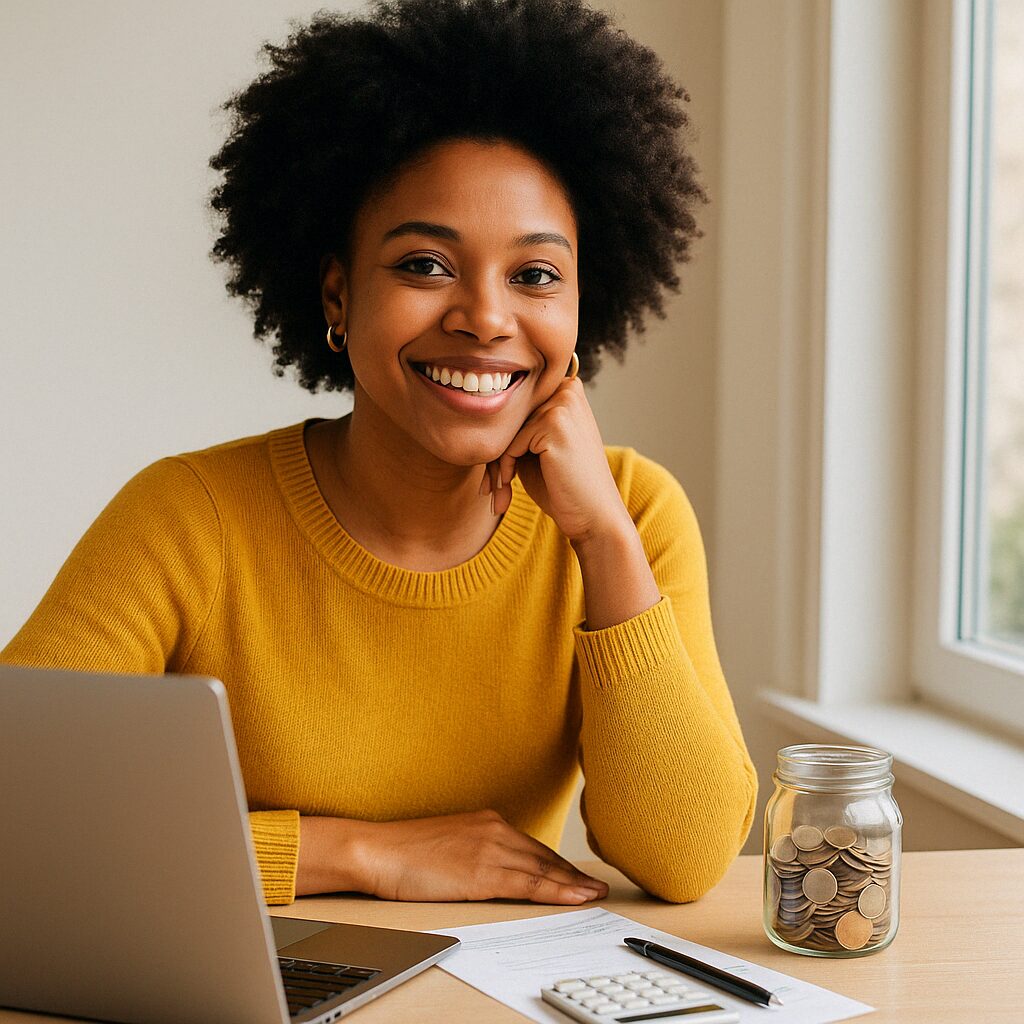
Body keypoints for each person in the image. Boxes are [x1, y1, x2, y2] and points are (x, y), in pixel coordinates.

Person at [1, 0, 756, 908]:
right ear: (336, 294)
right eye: (425, 265)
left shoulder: (631, 512)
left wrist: (602, 540)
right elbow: (19, 805)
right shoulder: (188, 516)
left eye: (536, 275)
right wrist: (360, 855)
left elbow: (688, 859)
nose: (484, 317)